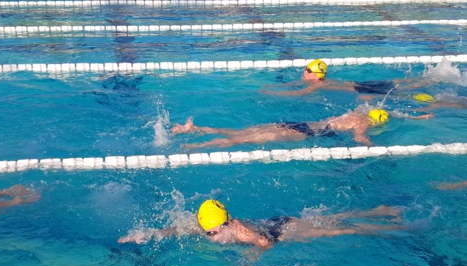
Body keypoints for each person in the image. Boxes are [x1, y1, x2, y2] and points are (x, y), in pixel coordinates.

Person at [118, 199, 407, 250]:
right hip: (274, 222)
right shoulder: (209, 226)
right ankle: (379, 210)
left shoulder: (241, 232)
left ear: (227, 225)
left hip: (283, 230)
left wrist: (251, 257)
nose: (209, 236)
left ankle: (390, 223)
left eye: (213, 233)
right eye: (206, 232)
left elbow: (265, 243)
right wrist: (145, 234)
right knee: (330, 220)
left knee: (335, 228)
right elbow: (175, 229)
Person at [171, 108, 432, 149]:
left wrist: (418, 118)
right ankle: (194, 146)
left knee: (242, 132)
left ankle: (196, 129)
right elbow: (359, 138)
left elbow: (393, 110)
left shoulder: (360, 111)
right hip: (304, 132)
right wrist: (376, 147)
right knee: (242, 142)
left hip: (298, 123)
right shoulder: (364, 122)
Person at [262, 59, 431, 98]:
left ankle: (431, 82)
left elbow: (298, 94)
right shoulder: (320, 81)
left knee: (400, 91)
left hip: (362, 89)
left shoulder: (316, 86)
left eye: (307, 70)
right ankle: (431, 78)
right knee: (394, 83)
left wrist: (273, 94)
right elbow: (295, 85)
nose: (303, 71)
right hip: (362, 84)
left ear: (316, 75)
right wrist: (271, 87)